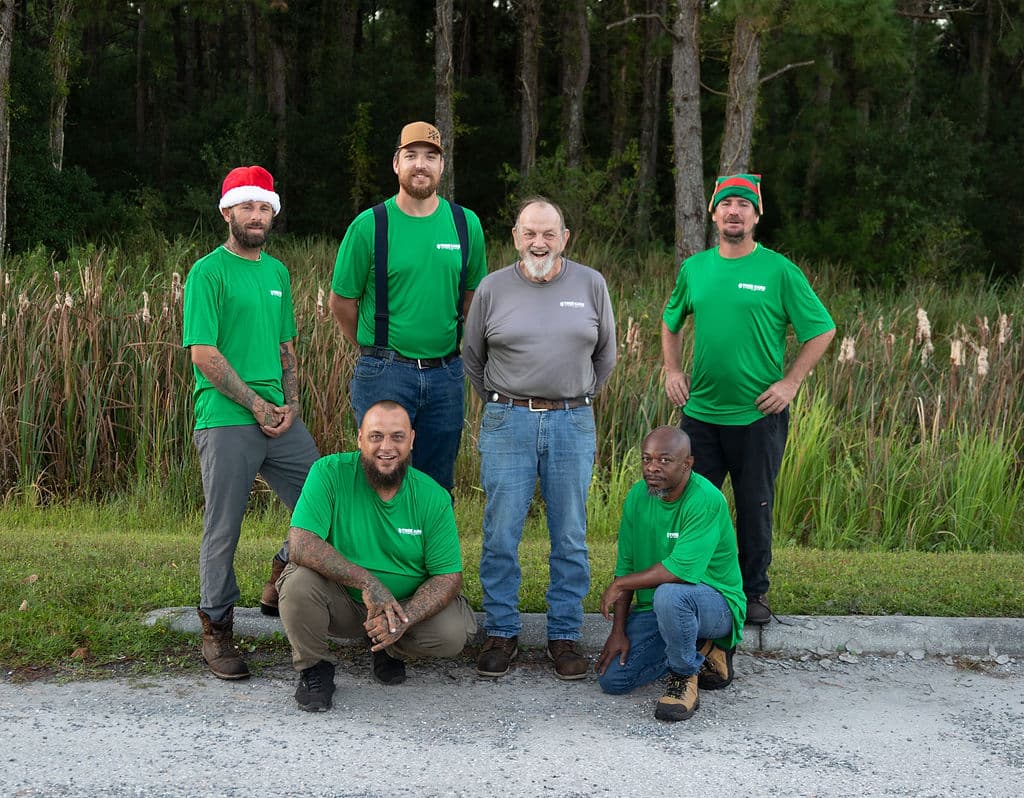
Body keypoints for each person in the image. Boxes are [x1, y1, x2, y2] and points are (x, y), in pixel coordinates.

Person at [661, 173, 835, 625]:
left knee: (754, 505)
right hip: (700, 415)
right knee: (690, 501)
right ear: (714, 214)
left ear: (757, 215)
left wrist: (791, 383)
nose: (734, 211)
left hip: (758, 416)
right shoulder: (695, 269)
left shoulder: (778, 271)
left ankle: (753, 591)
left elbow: (822, 329)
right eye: (726, 204)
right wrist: (673, 369)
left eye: (743, 204)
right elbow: (670, 320)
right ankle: (684, 578)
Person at [463, 197, 617, 680]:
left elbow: (606, 354)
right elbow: (472, 356)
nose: (539, 242)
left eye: (549, 233)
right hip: (509, 418)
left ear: (564, 238)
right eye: (530, 233)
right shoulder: (492, 288)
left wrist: (576, 396)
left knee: (570, 532)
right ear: (515, 237)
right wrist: (501, 401)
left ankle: (565, 634)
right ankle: (502, 631)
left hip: (573, 420)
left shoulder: (591, 284)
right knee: (501, 530)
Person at [182, 165, 320, 680]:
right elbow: (204, 354)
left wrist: (292, 403)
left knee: (327, 498)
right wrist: (255, 406)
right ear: (227, 212)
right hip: (225, 417)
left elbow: (286, 347)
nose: (256, 216)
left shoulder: (278, 273)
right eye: (247, 207)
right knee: (223, 528)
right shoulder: (208, 272)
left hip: (280, 419)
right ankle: (217, 630)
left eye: (264, 207)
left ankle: (282, 568)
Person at [277, 400, 477, 712]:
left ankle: (388, 647)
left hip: (402, 605)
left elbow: (448, 576)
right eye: (376, 436)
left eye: (397, 437)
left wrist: (403, 618)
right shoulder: (328, 473)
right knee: (298, 585)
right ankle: (314, 668)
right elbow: (301, 543)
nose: (386, 447)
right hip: (343, 600)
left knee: (452, 633)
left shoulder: (433, 496)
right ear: (359, 439)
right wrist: (368, 582)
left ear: (411, 440)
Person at [329, 121, 487, 496]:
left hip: (445, 374)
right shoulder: (370, 226)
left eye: (431, 157)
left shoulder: (466, 225)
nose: (421, 164)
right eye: (412, 155)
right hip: (384, 371)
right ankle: (371, 555)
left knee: (436, 485)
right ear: (396, 163)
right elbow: (341, 302)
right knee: (380, 478)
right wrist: (372, 350)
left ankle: (433, 556)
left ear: (442, 167)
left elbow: (473, 297)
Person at [596, 426, 745, 722]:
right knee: (613, 681)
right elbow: (626, 566)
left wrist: (621, 584)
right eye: (646, 458)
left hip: (714, 603)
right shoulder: (637, 497)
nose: (652, 467)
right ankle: (698, 647)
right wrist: (618, 631)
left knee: (671, 595)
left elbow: (678, 572)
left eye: (664, 460)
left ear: (686, 464)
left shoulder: (705, 499)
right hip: (662, 606)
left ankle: (684, 675)